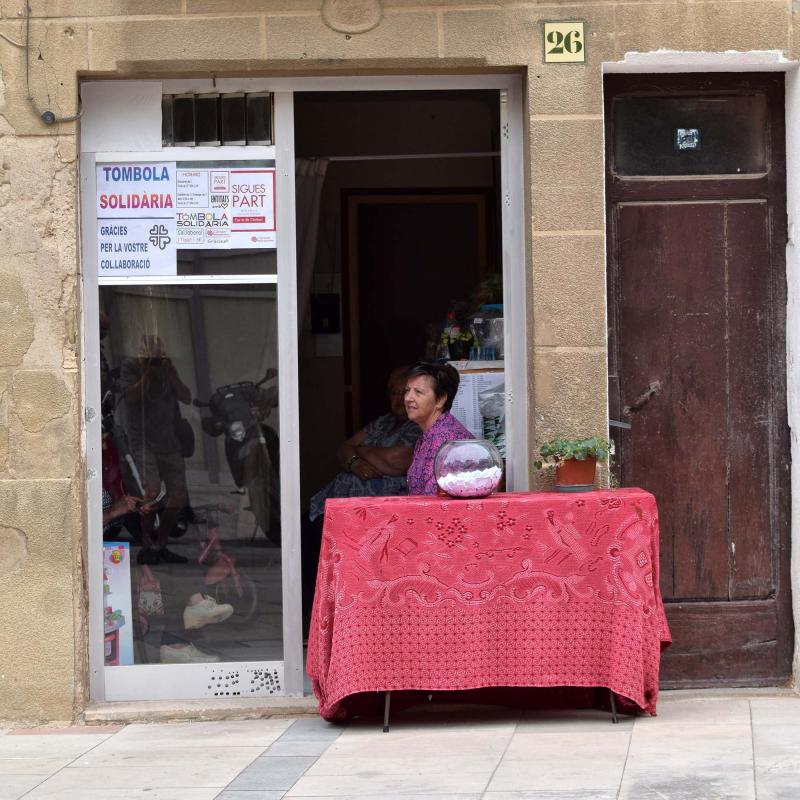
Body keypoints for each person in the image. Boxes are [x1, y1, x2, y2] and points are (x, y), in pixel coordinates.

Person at [302, 366, 421, 624]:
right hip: (337, 504)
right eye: (393, 393)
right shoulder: (383, 422)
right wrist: (356, 463)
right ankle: (310, 617)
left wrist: (359, 452)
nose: (398, 399)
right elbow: (343, 449)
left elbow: (397, 461)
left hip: (375, 512)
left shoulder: (417, 426)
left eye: (404, 392)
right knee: (305, 538)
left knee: (322, 546)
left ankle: (324, 617)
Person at [120, 334, 191, 565]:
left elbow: (186, 396)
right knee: (150, 493)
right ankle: (146, 545)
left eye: (158, 350)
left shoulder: (166, 368)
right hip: (143, 441)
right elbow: (130, 397)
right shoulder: (131, 366)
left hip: (169, 440)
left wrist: (170, 370)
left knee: (177, 496)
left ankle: (161, 543)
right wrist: (147, 371)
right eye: (151, 351)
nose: (155, 354)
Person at [405, 362, 473, 495]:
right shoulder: (431, 433)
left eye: (418, 392)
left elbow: (432, 503)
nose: (408, 398)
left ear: (440, 399)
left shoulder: (445, 441)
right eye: (407, 390)